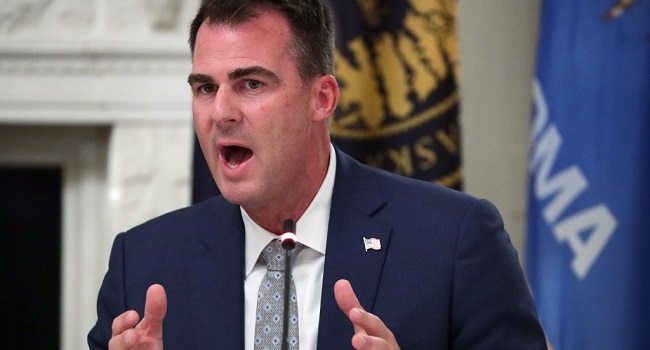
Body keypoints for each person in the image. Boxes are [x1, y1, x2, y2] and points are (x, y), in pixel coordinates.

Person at [88, 0, 546, 349]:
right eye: (206, 88)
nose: (221, 112)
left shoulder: (454, 241)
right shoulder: (143, 264)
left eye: (251, 84)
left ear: (322, 98)